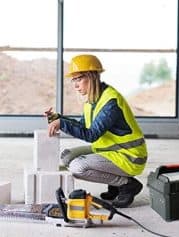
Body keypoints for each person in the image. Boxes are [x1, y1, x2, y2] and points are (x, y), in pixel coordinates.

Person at [46, 54, 148, 208]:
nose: (75, 85)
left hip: (128, 156)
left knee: (77, 167)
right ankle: (114, 184)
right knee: (67, 156)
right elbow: (83, 126)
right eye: (73, 80)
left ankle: (127, 184)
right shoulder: (92, 100)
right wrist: (57, 118)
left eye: (78, 79)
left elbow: (91, 134)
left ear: (92, 76)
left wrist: (62, 124)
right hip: (109, 150)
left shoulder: (110, 102)